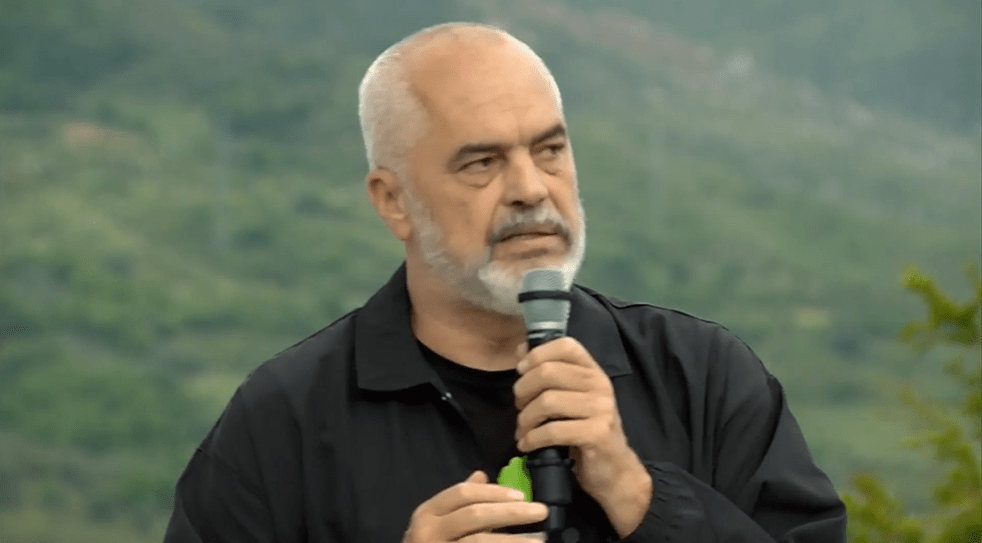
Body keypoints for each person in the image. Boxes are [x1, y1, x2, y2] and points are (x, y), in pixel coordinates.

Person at [163, 22, 847, 543]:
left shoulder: (702, 378)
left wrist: (637, 493)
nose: (530, 189)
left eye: (549, 150)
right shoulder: (283, 421)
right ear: (393, 201)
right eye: (482, 163)